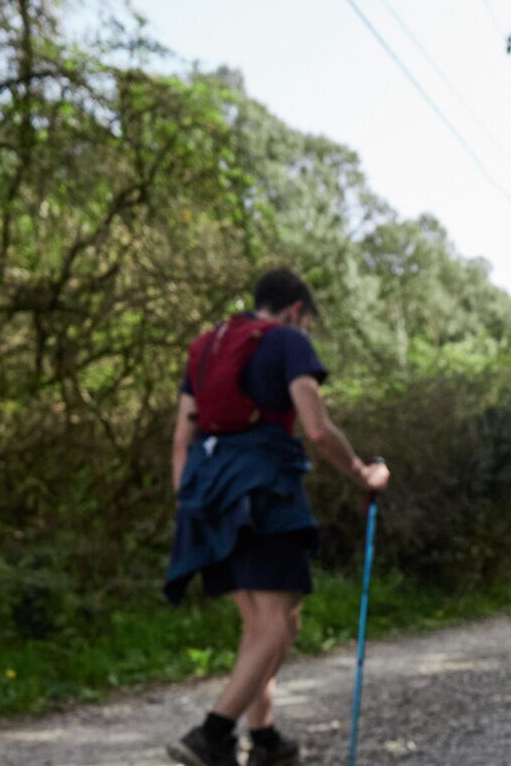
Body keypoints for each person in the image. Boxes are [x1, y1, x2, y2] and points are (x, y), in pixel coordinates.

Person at [163, 268, 390, 766]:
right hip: (266, 492)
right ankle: (211, 734)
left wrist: (191, 503)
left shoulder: (205, 348)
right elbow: (317, 428)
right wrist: (362, 474)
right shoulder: (287, 342)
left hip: (209, 493)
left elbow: (182, 439)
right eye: (308, 322)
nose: (306, 331)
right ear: (296, 311)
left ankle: (264, 738)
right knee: (277, 629)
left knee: (261, 625)